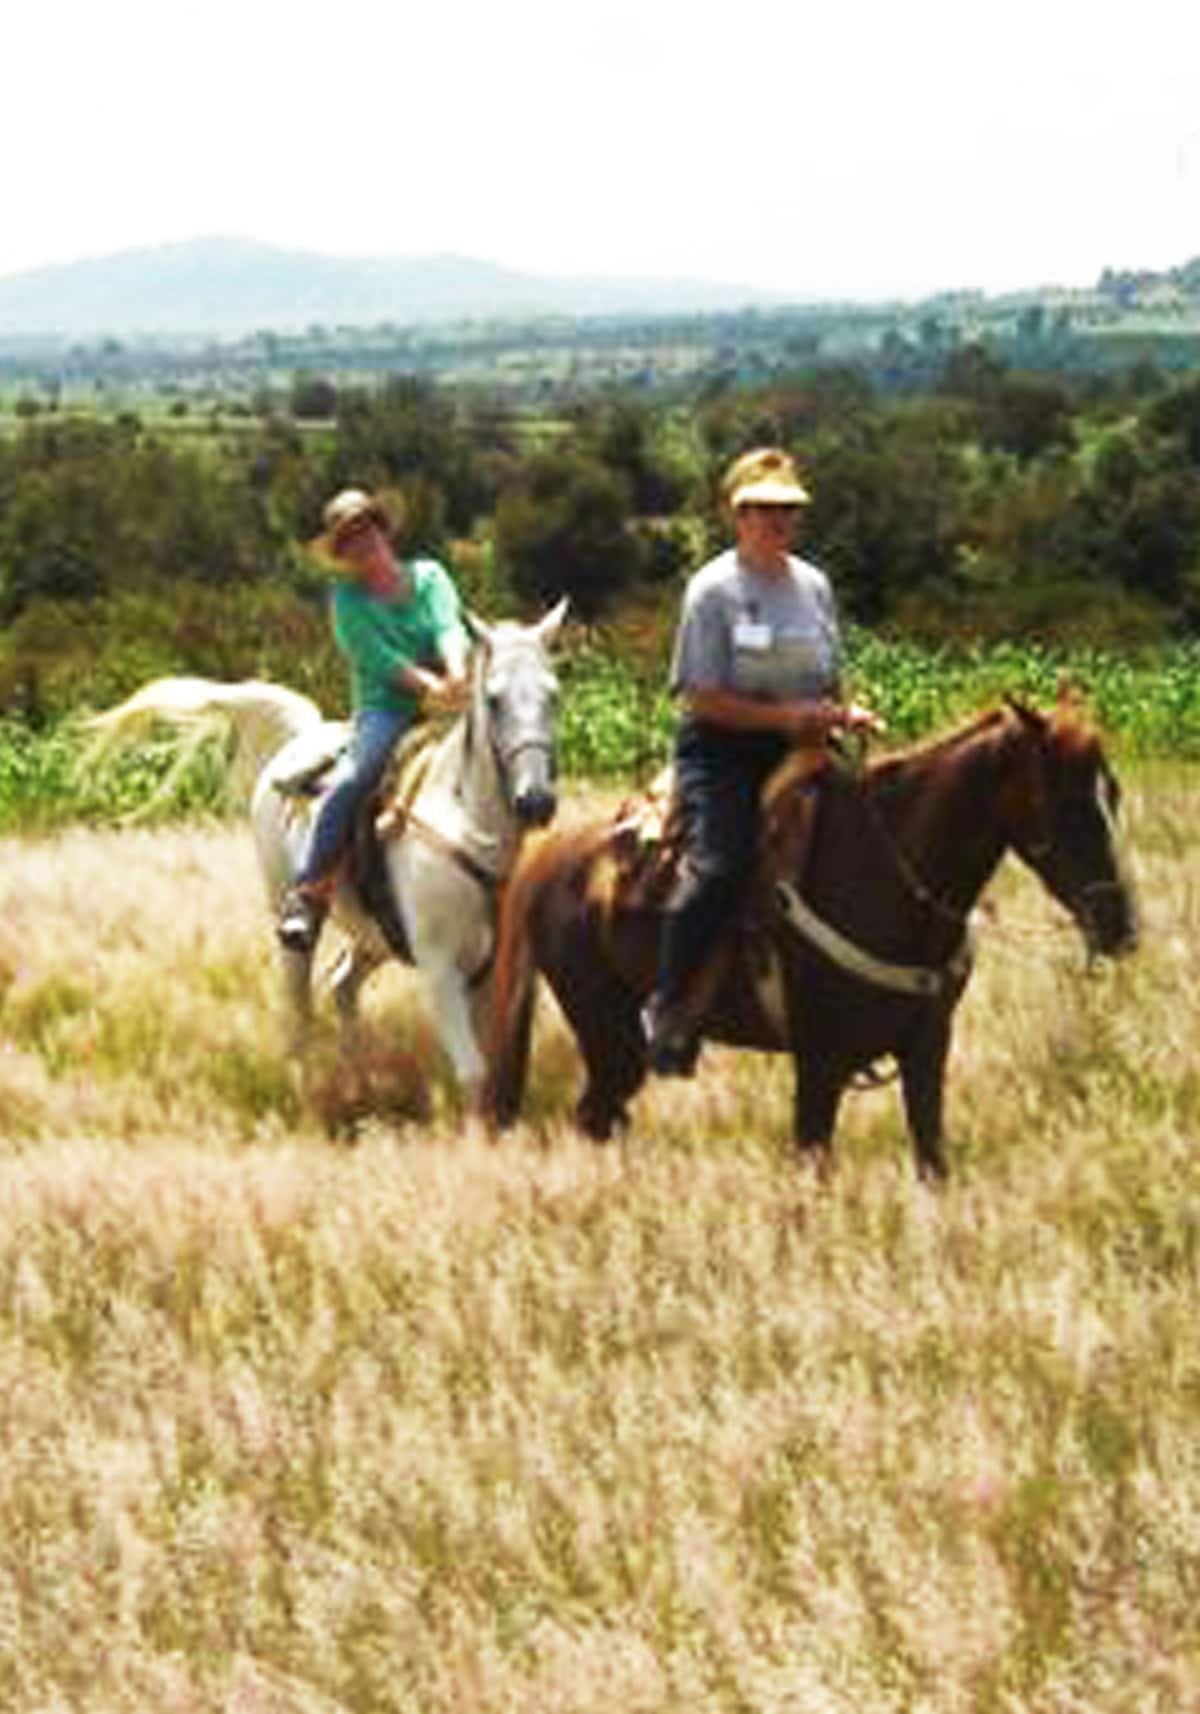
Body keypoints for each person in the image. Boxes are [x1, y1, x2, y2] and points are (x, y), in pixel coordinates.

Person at [641, 446, 881, 1075]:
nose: (779, 523)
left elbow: (830, 677)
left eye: (789, 511)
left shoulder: (814, 586)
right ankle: (668, 1006)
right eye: (764, 511)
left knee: (874, 843)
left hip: (804, 744)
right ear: (737, 516)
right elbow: (700, 695)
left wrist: (845, 714)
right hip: (723, 748)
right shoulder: (713, 591)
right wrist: (786, 719)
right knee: (721, 865)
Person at [277, 486, 470, 953]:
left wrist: (458, 672)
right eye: (349, 540)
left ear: (384, 531)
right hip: (388, 708)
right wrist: (430, 686)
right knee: (355, 778)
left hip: (452, 691)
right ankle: (308, 893)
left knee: (512, 748)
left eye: (367, 531)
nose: (363, 544)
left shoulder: (430, 576)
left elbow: (449, 626)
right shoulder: (347, 601)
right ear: (343, 554)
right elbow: (381, 660)